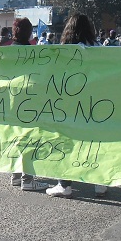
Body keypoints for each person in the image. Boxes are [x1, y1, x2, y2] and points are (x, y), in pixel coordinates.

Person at [45, 13, 108, 199]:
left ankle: (64, 185)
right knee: (93, 142)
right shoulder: (99, 49)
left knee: (66, 142)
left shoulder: (63, 51)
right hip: (95, 102)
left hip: (69, 104)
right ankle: (100, 183)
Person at [10, 18, 51, 192]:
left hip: (11, 101)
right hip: (29, 102)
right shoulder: (32, 53)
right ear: (29, 33)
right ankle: (27, 179)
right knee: (29, 139)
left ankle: (15, 175)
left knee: (16, 138)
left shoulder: (6, 52)